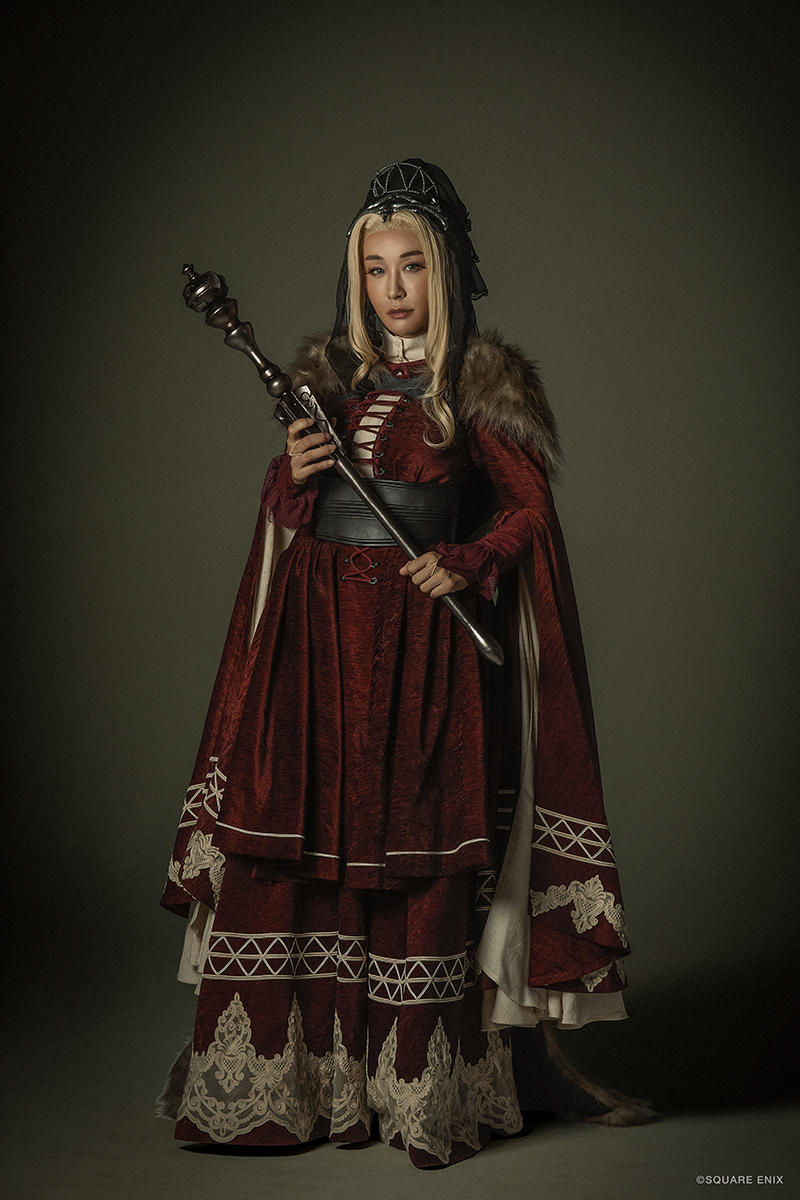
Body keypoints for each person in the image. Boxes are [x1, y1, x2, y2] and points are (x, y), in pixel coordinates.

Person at [159, 160, 634, 1168]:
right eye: (374, 270)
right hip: (318, 651)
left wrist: (466, 561)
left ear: (443, 271)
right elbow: (291, 517)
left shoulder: (480, 386)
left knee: (411, 848)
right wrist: (292, 476)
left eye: (409, 266)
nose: (391, 289)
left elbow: (528, 514)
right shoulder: (329, 382)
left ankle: (413, 1087)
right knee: (303, 840)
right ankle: (307, 1085)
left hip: (423, 661)